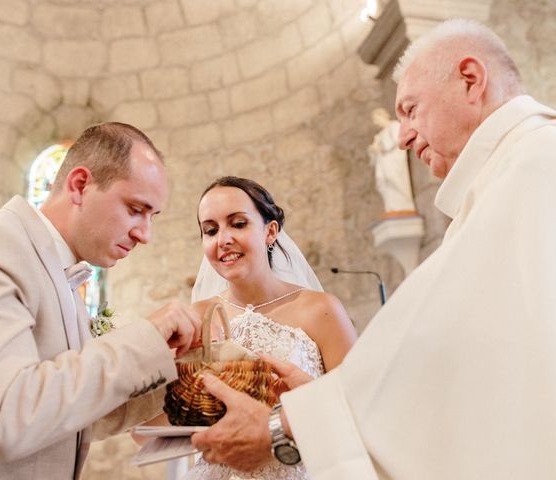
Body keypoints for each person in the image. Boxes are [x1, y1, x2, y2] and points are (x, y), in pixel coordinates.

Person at [190, 19, 556, 479]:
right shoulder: (512, 176)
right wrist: (326, 400)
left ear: (470, 79)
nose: (401, 137)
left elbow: (459, 372)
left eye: (410, 109)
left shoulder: (533, 170)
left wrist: (290, 427)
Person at [0, 122, 202, 480]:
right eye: (135, 209)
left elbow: (74, 413)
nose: (144, 234)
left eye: (151, 216)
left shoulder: (60, 273)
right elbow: (5, 418)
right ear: (80, 185)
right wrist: (145, 336)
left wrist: (185, 371)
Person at [184, 176, 357, 479]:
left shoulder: (320, 309)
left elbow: (357, 410)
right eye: (210, 230)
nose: (223, 239)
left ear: (270, 231)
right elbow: (157, 423)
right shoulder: (198, 317)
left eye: (238, 224)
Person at [368, 107, 416, 214]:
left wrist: (381, 148)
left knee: (394, 180)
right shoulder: (379, 135)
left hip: (394, 162)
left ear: (383, 116)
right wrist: (373, 150)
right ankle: (392, 208)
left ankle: (403, 206)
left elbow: (397, 141)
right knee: (382, 182)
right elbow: (374, 154)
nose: (376, 122)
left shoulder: (395, 126)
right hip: (383, 164)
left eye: (376, 119)